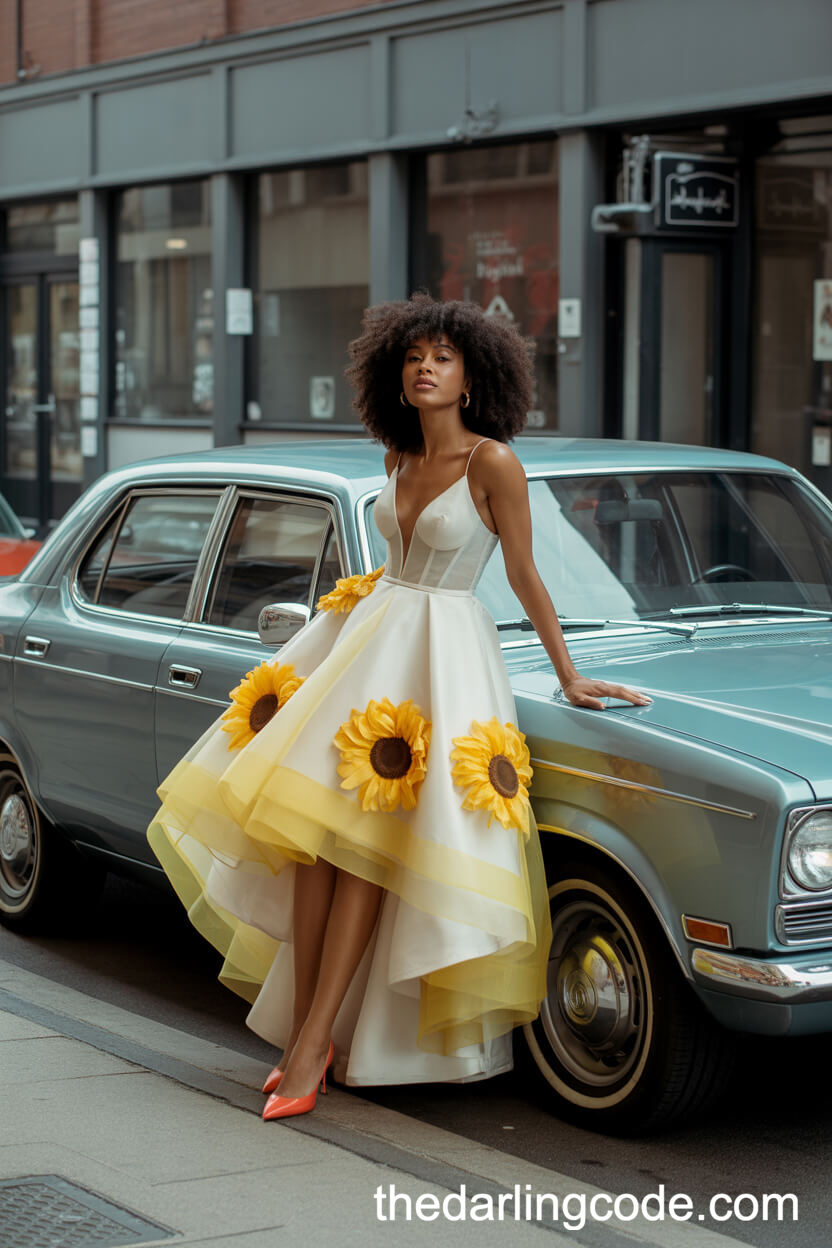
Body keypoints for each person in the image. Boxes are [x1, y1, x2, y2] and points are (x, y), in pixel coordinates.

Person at [147, 293, 650, 1123]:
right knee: (311, 843)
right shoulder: (396, 455)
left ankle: (314, 1044)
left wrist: (569, 675)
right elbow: (395, 564)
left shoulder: (493, 463)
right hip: (373, 646)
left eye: (443, 357)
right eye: (414, 356)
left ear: (472, 376)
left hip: (442, 663)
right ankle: (304, 1033)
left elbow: (523, 574)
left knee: (366, 853)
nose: (425, 368)